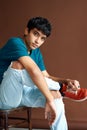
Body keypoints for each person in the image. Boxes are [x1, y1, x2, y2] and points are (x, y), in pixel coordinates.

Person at [0, 16, 86, 130]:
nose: (38, 41)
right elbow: (34, 71)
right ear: (26, 31)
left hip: (22, 94)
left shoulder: (36, 52)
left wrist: (66, 80)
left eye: (42, 38)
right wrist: (50, 96)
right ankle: (62, 89)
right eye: (35, 34)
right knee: (19, 65)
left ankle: (62, 90)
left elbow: (46, 76)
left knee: (56, 98)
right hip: (5, 97)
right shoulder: (15, 42)